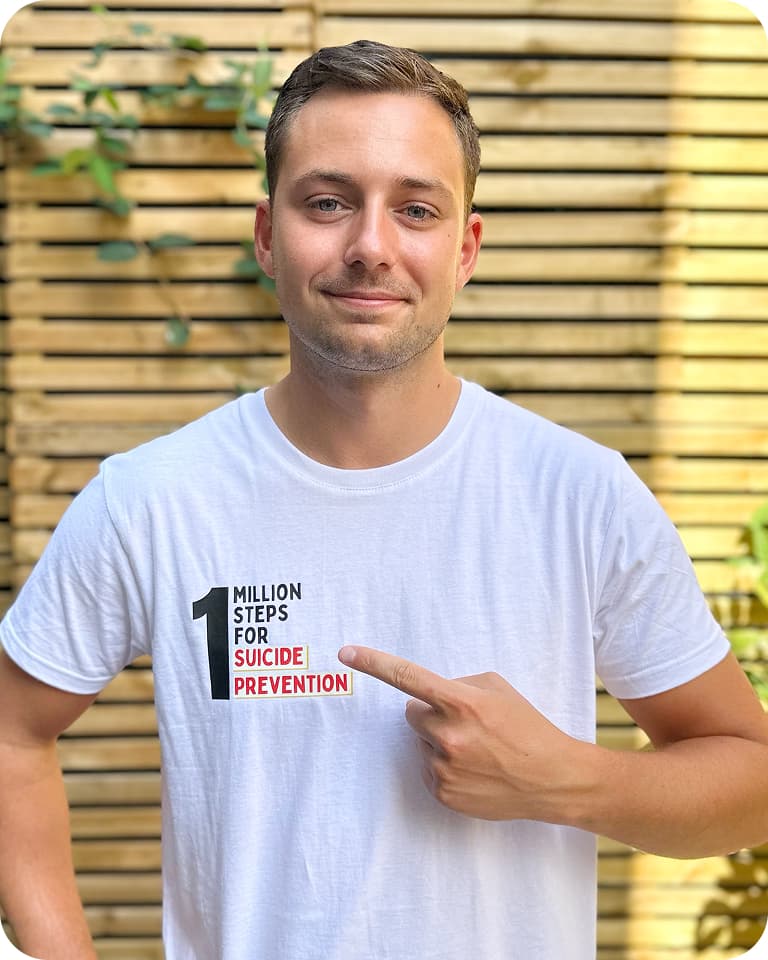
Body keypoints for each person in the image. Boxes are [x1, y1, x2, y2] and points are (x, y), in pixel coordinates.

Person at [1, 38, 767, 960]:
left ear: (465, 249)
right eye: (328, 202)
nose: (371, 246)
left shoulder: (580, 496)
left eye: (416, 209)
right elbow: (10, 736)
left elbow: (751, 780)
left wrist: (568, 780)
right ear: (267, 236)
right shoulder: (151, 501)